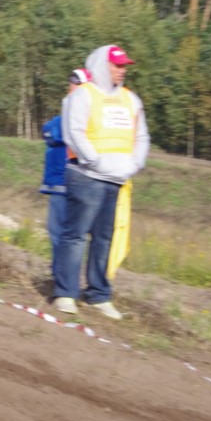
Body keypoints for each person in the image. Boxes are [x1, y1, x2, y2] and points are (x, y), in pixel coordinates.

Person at [52, 45, 150, 320]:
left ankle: (99, 295)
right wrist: (94, 161)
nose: (122, 70)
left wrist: (135, 164)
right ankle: (66, 293)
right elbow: (74, 133)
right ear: (101, 66)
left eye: (124, 65)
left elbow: (141, 136)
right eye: (116, 65)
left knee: (104, 239)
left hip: (115, 179)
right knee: (76, 235)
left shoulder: (131, 99)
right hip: (86, 175)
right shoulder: (83, 95)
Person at [40, 68, 89, 258]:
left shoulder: (75, 114)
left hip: (64, 182)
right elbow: (46, 131)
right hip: (63, 182)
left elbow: (52, 132)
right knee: (66, 233)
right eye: (71, 81)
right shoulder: (69, 112)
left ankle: (62, 272)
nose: (71, 85)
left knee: (60, 233)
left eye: (77, 82)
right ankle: (63, 271)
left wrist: (53, 131)